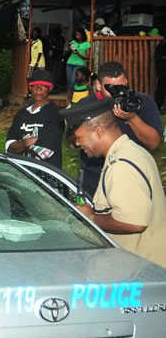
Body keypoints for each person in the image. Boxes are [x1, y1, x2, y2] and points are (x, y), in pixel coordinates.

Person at [67, 101, 166, 267]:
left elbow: (134, 223)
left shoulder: (121, 164)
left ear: (98, 131)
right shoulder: (131, 151)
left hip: (141, 272)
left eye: (79, 137)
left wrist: (90, 218)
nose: (78, 144)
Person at [70, 61, 163, 198]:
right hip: (94, 176)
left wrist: (132, 118)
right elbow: (72, 142)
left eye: (123, 86)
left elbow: (154, 142)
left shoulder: (141, 102)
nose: (118, 92)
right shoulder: (86, 105)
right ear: (98, 85)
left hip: (132, 173)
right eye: (112, 88)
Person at [5, 70, 64, 168]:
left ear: (50, 88)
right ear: (30, 88)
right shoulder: (21, 114)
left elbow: (45, 151)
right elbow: (9, 148)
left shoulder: (56, 114)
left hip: (48, 173)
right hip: (24, 172)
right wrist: (28, 142)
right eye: (34, 86)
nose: (38, 90)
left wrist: (20, 144)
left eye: (43, 86)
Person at [65, 28, 90, 104]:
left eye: (78, 34)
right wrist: (68, 47)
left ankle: (73, 98)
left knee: (73, 81)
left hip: (79, 64)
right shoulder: (73, 42)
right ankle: (69, 99)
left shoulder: (87, 44)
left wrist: (77, 53)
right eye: (76, 34)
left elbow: (88, 57)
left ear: (82, 35)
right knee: (69, 81)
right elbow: (65, 52)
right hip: (70, 63)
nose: (77, 36)